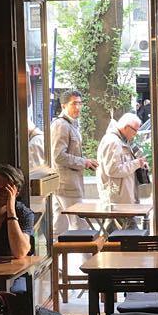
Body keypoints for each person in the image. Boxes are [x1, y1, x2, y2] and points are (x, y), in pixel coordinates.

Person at [51, 90, 98, 233]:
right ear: (63, 105)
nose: (78, 107)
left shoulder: (71, 124)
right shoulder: (61, 125)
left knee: (60, 227)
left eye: (80, 103)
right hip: (67, 185)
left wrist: (86, 162)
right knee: (80, 226)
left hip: (66, 183)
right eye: (74, 104)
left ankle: (55, 247)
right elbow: (58, 156)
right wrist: (84, 162)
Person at [96, 113, 147, 206]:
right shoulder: (113, 142)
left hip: (123, 196)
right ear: (126, 127)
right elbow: (113, 170)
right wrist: (136, 163)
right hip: (117, 199)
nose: (135, 134)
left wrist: (140, 164)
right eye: (135, 130)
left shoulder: (122, 140)